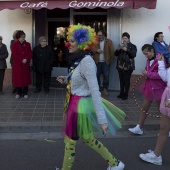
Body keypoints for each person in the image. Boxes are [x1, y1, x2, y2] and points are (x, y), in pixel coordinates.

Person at [56, 23, 126, 170]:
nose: (68, 44)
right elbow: (80, 80)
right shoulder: (78, 59)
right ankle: (115, 164)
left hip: (79, 106)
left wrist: (102, 120)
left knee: (70, 141)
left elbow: (95, 91)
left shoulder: (87, 61)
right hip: (74, 102)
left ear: (82, 43)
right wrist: (67, 78)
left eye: (72, 41)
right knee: (87, 139)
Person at [128, 44, 166, 135]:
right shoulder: (148, 61)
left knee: (162, 110)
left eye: (147, 53)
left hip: (159, 88)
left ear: (152, 50)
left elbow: (161, 74)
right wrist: (145, 72)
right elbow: (148, 70)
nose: (146, 55)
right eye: (144, 54)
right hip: (149, 87)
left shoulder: (160, 59)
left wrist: (148, 73)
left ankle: (165, 130)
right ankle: (139, 127)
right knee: (144, 107)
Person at [139, 55, 170, 165]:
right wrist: (161, 63)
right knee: (163, 128)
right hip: (168, 96)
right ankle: (156, 156)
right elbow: (165, 77)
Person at [114, 32, 137, 100]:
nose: (124, 40)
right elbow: (115, 54)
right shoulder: (120, 45)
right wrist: (118, 49)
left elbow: (133, 55)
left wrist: (127, 50)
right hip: (120, 66)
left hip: (129, 66)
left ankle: (126, 94)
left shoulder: (132, 46)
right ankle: (121, 93)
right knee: (121, 80)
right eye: (123, 38)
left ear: (128, 39)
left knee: (126, 80)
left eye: (126, 38)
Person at [11, 30, 32, 99]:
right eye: (22, 37)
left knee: (25, 78)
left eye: (24, 37)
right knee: (18, 79)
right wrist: (21, 60)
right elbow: (14, 54)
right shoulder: (14, 45)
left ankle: (25, 92)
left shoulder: (28, 44)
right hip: (18, 65)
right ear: (18, 38)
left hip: (25, 64)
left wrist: (26, 59)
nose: (23, 38)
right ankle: (18, 92)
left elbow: (30, 53)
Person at [93, 30, 114, 96]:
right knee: (96, 76)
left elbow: (112, 52)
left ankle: (105, 89)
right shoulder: (95, 41)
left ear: (103, 35)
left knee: (106, 76)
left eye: (100, 35)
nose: (98, 37)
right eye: (98, 35)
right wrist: (96, 50)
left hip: (105, 62)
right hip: (97, 62)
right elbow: (91, 49)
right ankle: (97, 89)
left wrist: (110, 61)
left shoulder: (109, 41)